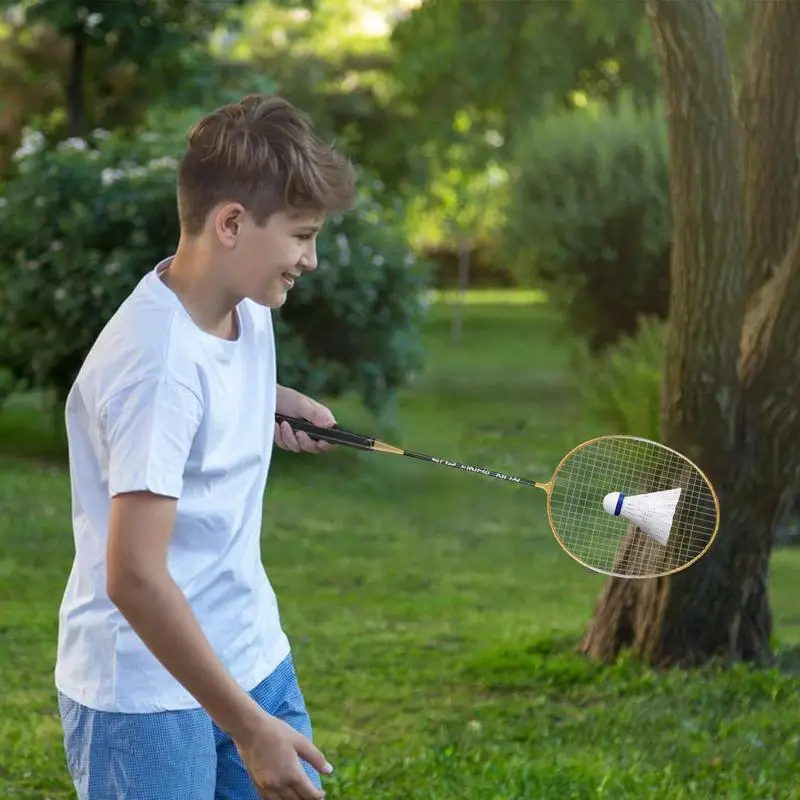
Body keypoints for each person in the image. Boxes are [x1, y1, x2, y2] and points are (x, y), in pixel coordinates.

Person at [54, 94, 357, 800]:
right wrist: (250, 729)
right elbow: (133, 576)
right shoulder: (154, 366)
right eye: (302, 236)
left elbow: (208, 377)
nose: (310, 260)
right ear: (231, 224)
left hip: (252, 652)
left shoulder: (242, 305)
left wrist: (275, 401)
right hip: (149, 698)